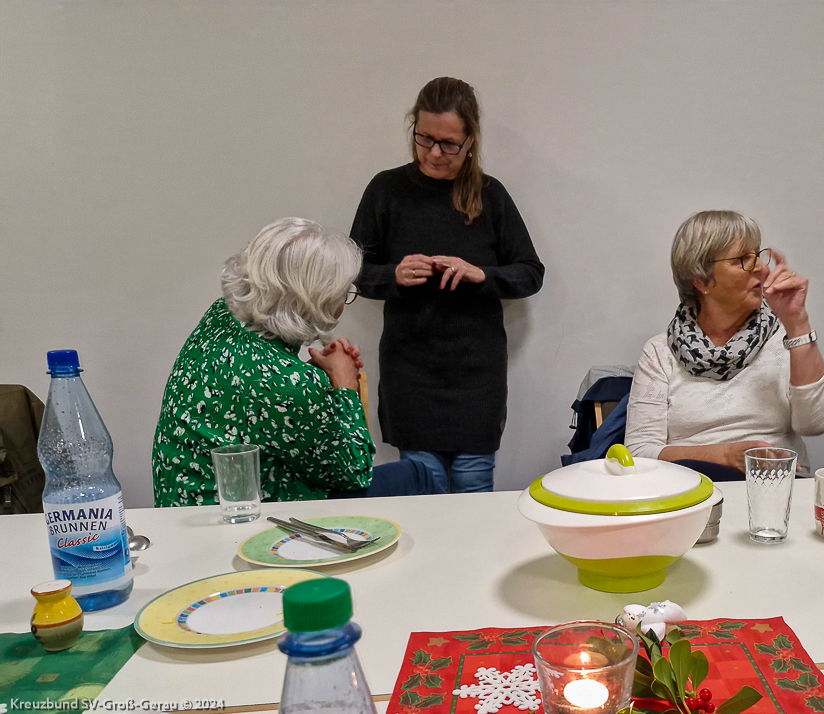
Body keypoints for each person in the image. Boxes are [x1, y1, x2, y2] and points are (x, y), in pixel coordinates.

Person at [349, 77, 544, 493]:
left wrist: (481, 275)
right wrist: (393, 275)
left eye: (449, 144)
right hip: (410, 375)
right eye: (425, 139)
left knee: (474, 493)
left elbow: (531, 273)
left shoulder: (490, 195)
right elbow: (353, 271)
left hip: (476, 378)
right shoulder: (387, 190)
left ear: (471, 140)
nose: (434, 153)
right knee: (423, 491)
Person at [153, 218, 376, 507]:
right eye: (344, 294)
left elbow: (255, 402)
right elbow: (355, 473)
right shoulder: (291, 384)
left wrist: (316, 380)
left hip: (180, 508)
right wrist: (345, 387)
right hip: (240, 519)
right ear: (316, 300)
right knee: (417, 475)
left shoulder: (222, 316)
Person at [625, 211, 824, 479]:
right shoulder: (660, 352)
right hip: (689, 487)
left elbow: (818, 423)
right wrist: (725, 456)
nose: (762, 269)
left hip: (775, 485)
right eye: (742, 260)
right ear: (700, 280)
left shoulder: (785, 340)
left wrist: (797, 322)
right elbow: (639, 452)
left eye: (757, 256)